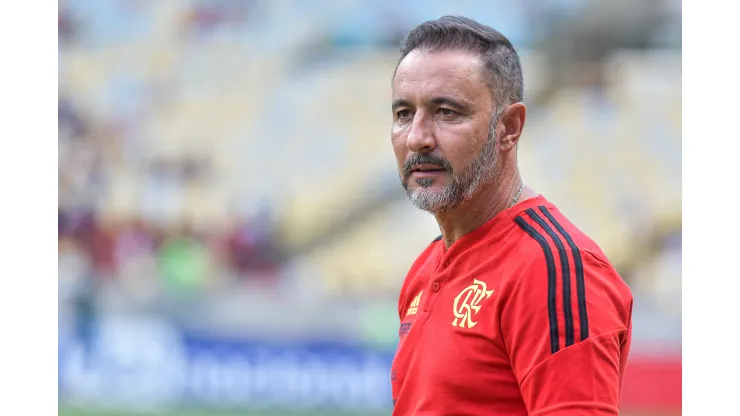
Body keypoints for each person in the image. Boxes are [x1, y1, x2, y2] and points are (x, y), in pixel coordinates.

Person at [389, 16, 633, 415]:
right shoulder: (425, 268)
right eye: (403, 113)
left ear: (509, 128)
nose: (417, 136)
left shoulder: (555, 269)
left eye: (446, 111)